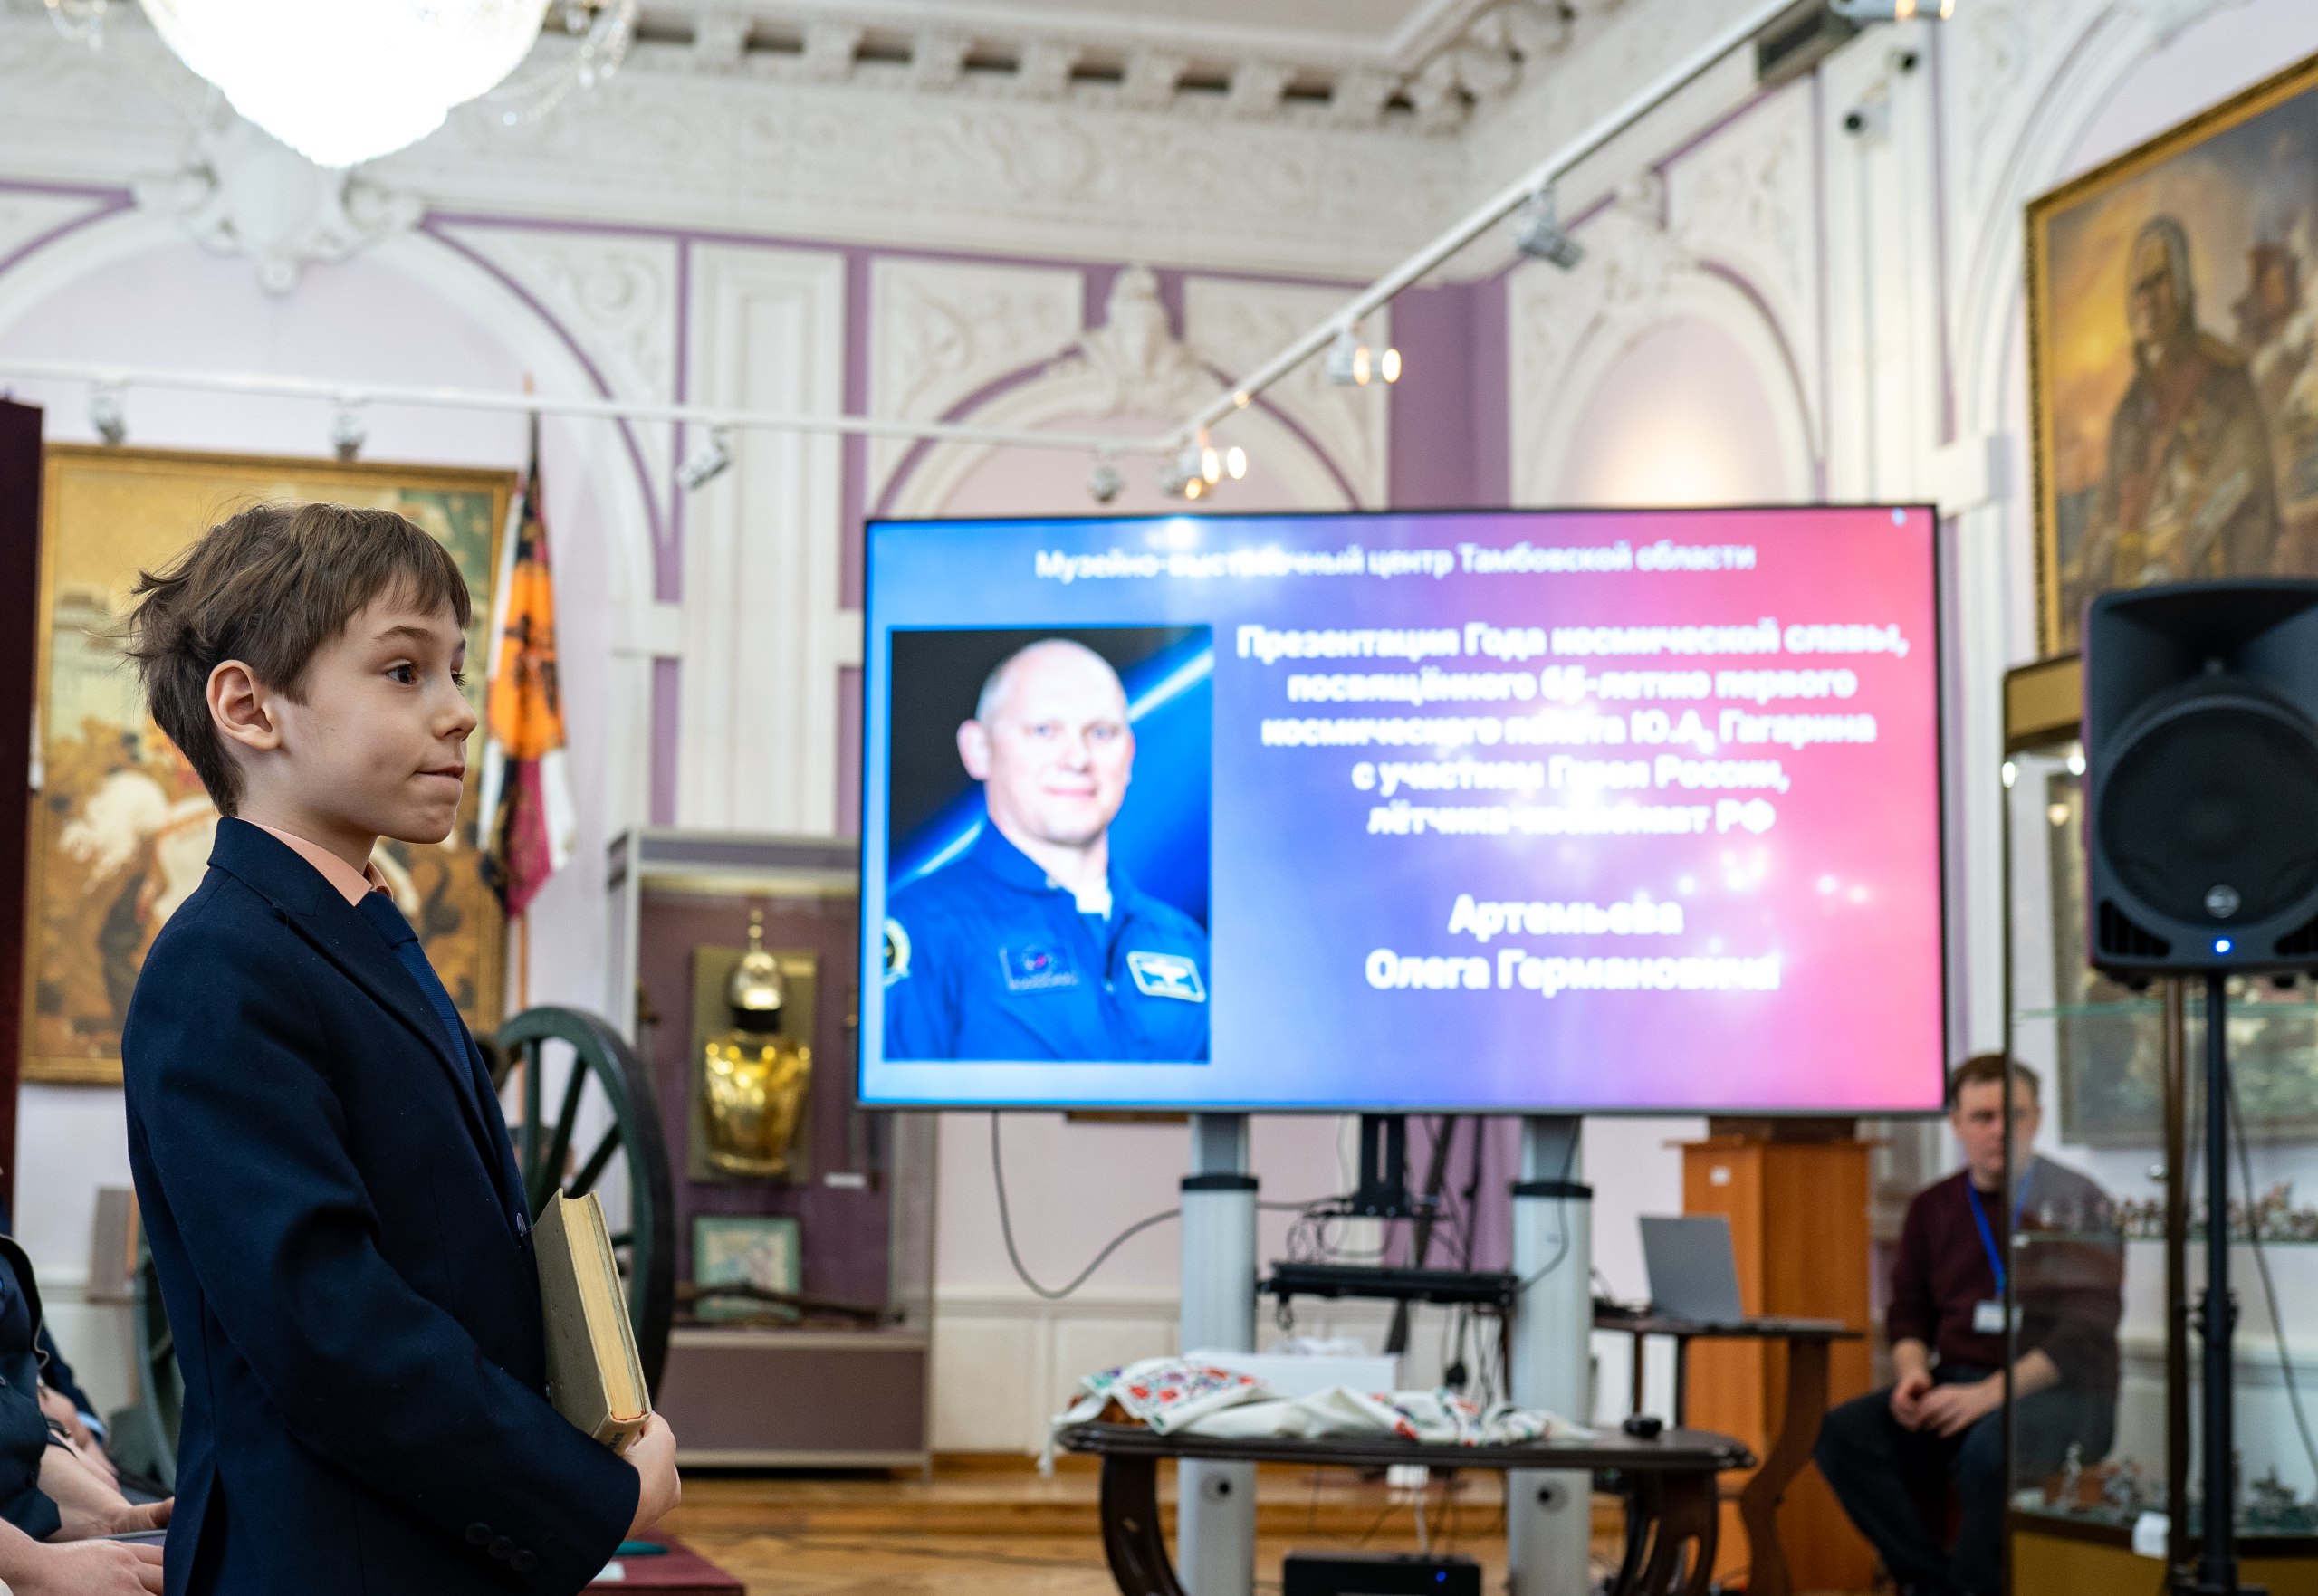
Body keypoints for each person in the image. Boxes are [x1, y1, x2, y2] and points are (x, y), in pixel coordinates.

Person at [116, 503, 681, 1594]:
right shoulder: (221, 966)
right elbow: (330, 1324)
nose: (462, 712)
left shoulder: (354, 932)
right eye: (404, 670)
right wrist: (582, 1491)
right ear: (249, 706)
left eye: (455, 672)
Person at [1815, 1055, 2122, 1596]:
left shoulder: (2078, 1202)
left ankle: (1972, 1588)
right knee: (1843, 1434)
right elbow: (1908, 1311)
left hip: (2059, 1395)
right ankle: (1931, 1581)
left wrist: (1988, 1395)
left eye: (2015, 1115)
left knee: (1987, 1452)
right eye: (1983, 1117)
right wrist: (1913, 1376)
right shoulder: (1932, 1207)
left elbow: (2086, 1331)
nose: (2000, 1130)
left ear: (2038, 1117)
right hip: (1956, 1382)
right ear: (1956, 1123)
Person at [884, 638, 1209, 1061]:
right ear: (979, 750)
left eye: (1101, 733)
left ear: (1129, 755)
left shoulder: (1183, 941)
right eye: (1044, 731)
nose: (1077, 758)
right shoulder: (923, 927)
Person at [2070, 215, 2279, 619]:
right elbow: (2107, 513)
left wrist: (2186, 541)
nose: (2149, 300)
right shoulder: (2128, 412)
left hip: (2213, 605)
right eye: (2139, 288)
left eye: (2159, 281)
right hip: (2141, 615)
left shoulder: (2225, 379)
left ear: (2183, 288)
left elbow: (2247, 478)